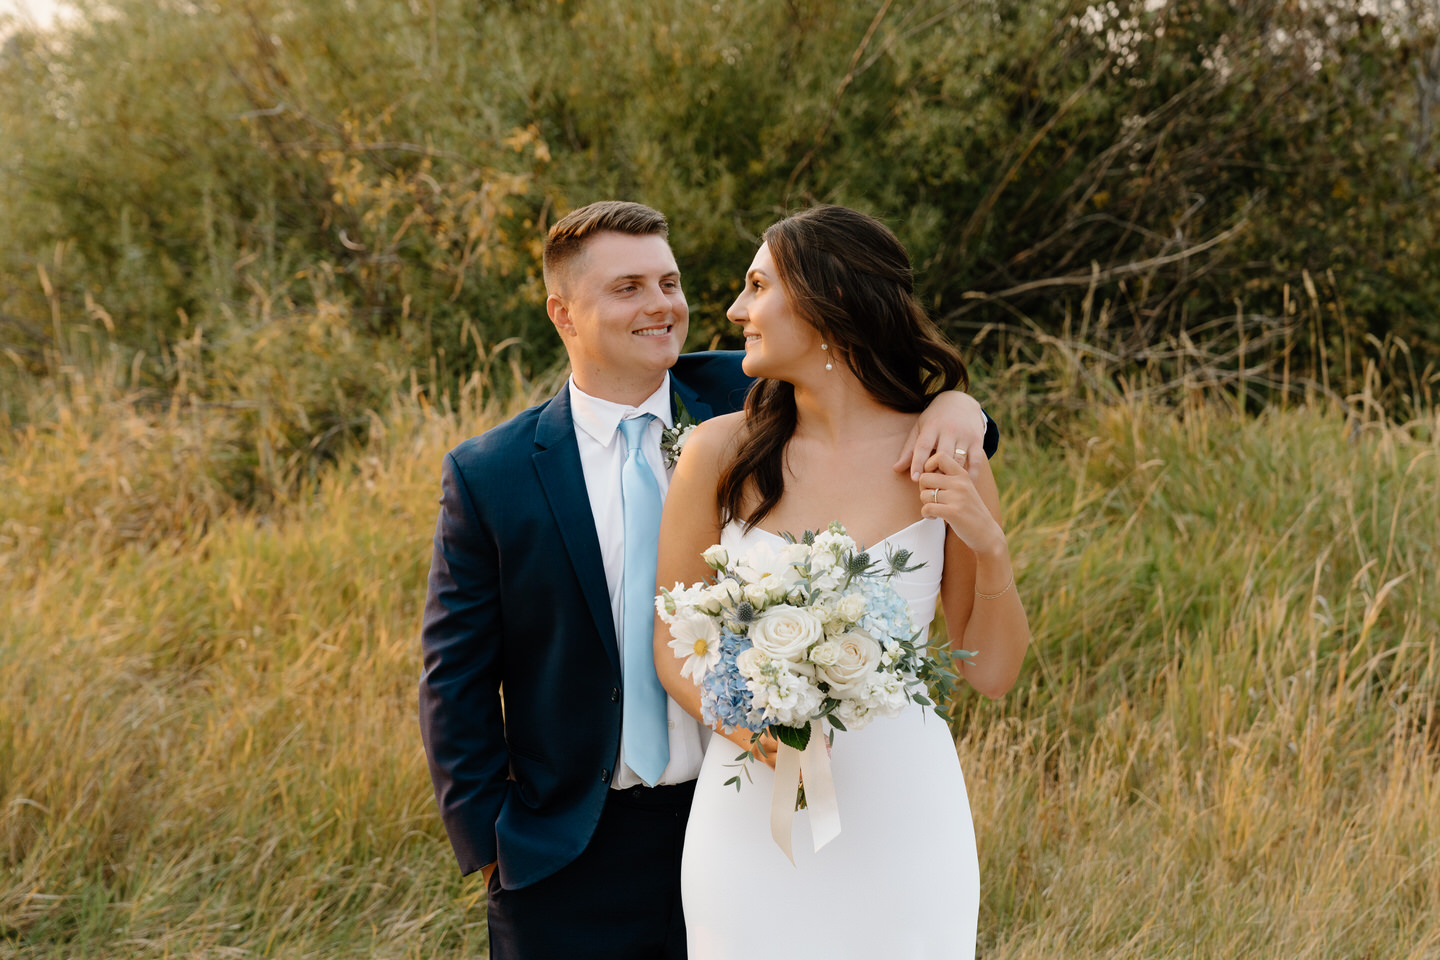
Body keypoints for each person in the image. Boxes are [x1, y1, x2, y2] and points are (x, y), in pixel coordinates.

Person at [418, 200, 997, 960]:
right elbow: (453, 676)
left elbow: (895, 404)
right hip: (571, 840)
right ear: (562, 311)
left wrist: (960, 404)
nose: (662, 304)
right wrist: (492, 842)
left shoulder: (753, 392)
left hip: (738, 807)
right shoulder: (490, 474)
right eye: (629, 288)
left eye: (670, 281)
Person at [654, 204, 1030, 958]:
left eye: (757, 286)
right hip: (751, 813)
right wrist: (753, 727)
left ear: (827, 306)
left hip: (902, 812)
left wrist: (988, 547)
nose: (734, 311)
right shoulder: (717, 453)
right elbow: (673, 645)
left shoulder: (944, 454)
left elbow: (990, 672)